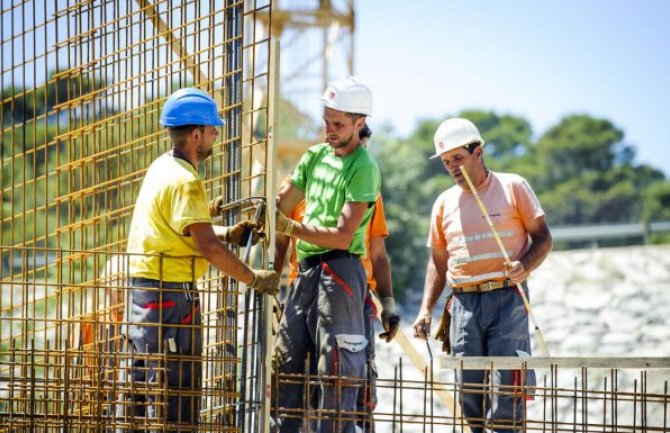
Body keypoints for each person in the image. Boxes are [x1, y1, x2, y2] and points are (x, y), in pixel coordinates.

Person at [117, 88, 280, 430]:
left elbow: (182, 231)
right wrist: (253, 278)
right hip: (171, 295)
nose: (216, 134)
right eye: (212, 129)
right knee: (176, 394)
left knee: (141, 386)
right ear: (195, 134)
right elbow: (207, 246)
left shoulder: (162, 167)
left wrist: (226, 232)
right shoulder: (186, 181)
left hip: (142, 292)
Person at [412, 118, 552, 433]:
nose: (452, 167)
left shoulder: (513, 186)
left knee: (507, 389)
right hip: (463, 304)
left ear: (479, 151)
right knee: (469, 392)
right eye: (447, 162)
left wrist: (525, 266)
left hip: (507, 298)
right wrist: (425, 310)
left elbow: (544, 238)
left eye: (458, 158)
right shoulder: (444, 203)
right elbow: (438, 261)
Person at [272, 77, 386, 433]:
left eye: (338, 124)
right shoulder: (316, 155)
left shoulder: (363, 168)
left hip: (340, 273)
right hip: (305, 274)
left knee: (336, 373)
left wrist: (290, 227)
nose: (329, 130)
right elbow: (283, 204)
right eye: (326, 121)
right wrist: (264, 213)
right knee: (287, 367)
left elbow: (342, 236)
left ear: (359, 123)